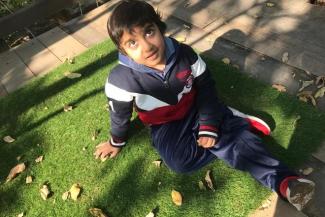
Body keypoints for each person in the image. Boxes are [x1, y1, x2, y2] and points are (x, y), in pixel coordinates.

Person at [94, 0, 315, 211]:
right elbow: (120, 116)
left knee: (233, 142)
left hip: (199, 107)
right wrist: (116, 142)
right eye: (132, 43)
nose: (146, 46)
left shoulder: (185, 54)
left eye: (149, 32)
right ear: (123, 51)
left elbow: (206, 87)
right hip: (165, 124)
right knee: (180, 163)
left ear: (160, 29)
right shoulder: (120, 81)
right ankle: (233, 126)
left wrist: (209, 124)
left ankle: (285, 181)